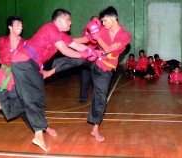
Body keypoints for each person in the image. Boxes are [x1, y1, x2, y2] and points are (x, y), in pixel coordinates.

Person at [0, 9, 96, 152]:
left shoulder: (60, 34)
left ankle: (1, 105)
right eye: (69, 19)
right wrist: (84, 55)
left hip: (30, 64)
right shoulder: (50, 28)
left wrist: (91, 52)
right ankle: (38, 135)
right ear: (60, 20)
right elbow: (65, 51)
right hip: (25, 61)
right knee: (35, 98)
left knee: (32, 98)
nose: (71, 22)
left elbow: (75, 45)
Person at [45, 6, 131, 142]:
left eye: (104, 21)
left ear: (112, 19)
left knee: (101, 98)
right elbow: (85, 40)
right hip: (95, 58)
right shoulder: (103, 29)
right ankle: (50, 71)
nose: (102, 24)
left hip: (106, 68)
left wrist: (98, 36)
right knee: (78, 57)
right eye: (101, 22)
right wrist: (64, 40)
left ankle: (95, 129)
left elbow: (109, 49)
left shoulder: (124, 36)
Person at [0, 16, 57, 139]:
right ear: (10, 27)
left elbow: (32, 60)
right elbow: (6, 57)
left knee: (26, 105)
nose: (20, 27)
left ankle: (43, 127)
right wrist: (20, 58)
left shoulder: (25, 43)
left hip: (19, 78)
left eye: (21, 25)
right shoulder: (1, 40)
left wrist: (40, 71)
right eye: (17, 25)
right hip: (2, 79)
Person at [74, 16, 100, 103]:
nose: (95, 22)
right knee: (85, 78)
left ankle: (98, 99)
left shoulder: (102, 31)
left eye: (97, 21)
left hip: (97, 59)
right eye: (93, 21)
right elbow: (83, 41)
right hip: (87, 57)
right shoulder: (86, 31)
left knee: (97, 81)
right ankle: (83, 98)